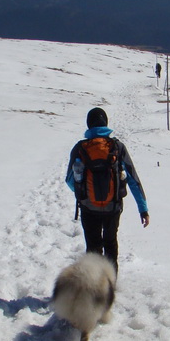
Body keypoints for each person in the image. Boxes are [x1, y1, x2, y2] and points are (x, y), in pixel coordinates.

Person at [66, 107, 149, 273]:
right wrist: (143, 209)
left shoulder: (80, 148)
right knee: (111, 243)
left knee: (93, 246)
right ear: (106, 123)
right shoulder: (117, 147)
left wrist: (84, 192)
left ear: (89, 125)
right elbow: (133, 179)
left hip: (89, 208)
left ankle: (94, 289)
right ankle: (110, 287)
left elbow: (69, 180)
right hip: (113, 207)